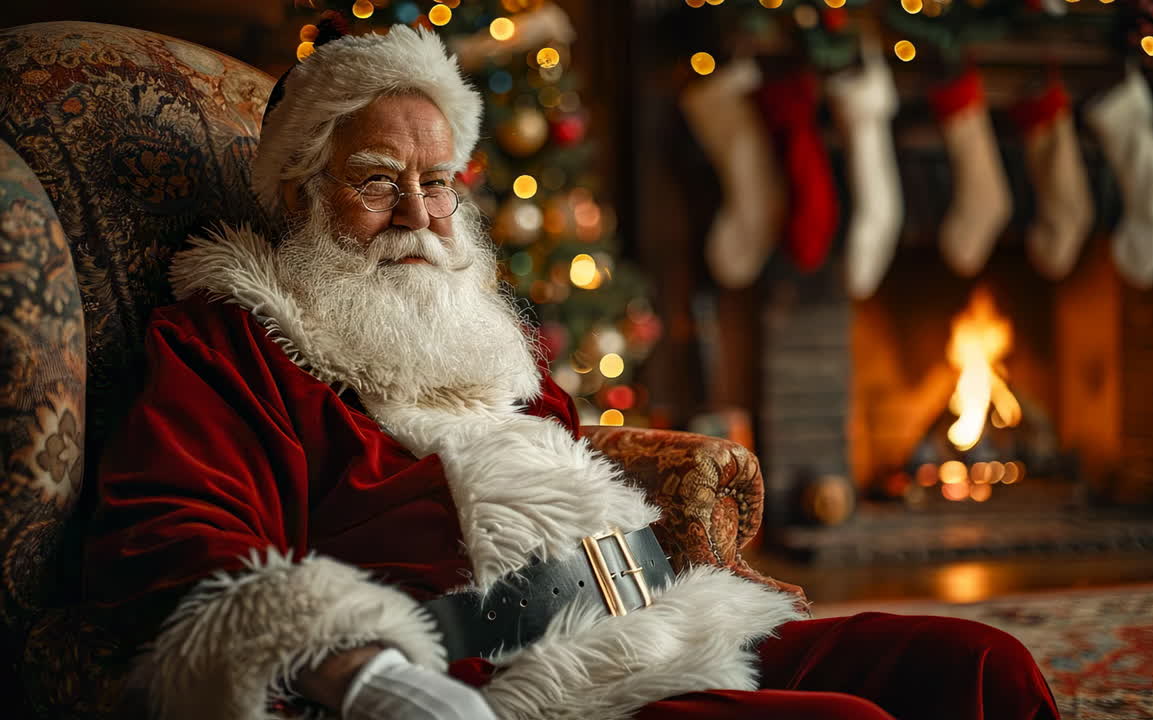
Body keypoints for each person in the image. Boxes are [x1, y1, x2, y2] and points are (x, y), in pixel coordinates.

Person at [83, 22, 1060, 720]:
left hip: (668, 624)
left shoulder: (471, 326)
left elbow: (567, 470)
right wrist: (366, 675)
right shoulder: (236, 338)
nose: (419, 215)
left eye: (436, 182)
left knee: (979, 666)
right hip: (520, 683)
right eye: (377, 180)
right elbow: (167, 532)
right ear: (301, 191)